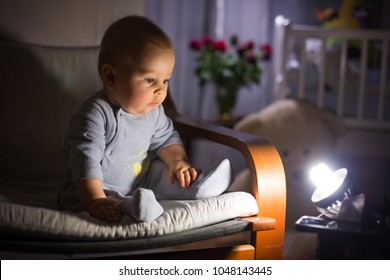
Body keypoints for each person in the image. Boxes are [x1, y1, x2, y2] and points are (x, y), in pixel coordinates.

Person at [58, 15, 233, 223]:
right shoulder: (96, 113)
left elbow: (167, 139)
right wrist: (95, 200)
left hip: (141, 183)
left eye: (166, 80)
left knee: (163, 168)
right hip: (97, 191)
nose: (161, 90)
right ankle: (136, 206)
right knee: (118, 194)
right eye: (150, 80)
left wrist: (179, 162)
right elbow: (85, 161)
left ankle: (197, 188)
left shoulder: (154, 111)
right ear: (111, 77)